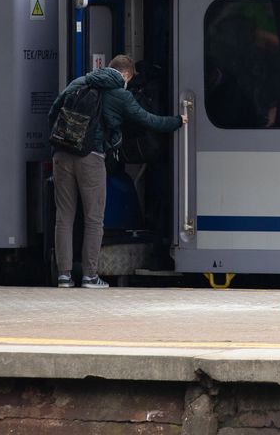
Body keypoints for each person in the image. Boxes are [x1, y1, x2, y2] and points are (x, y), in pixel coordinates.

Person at [48, 54, 185, 288]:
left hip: (61, 155)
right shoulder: (119, 94)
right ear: (127, 75)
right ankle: (90, 275)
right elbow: (148, 120)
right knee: (93, 219)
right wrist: (178, 121)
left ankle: (64, 276)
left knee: (64, 217)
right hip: (90, 158)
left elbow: (53, 113)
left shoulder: (78, 83)